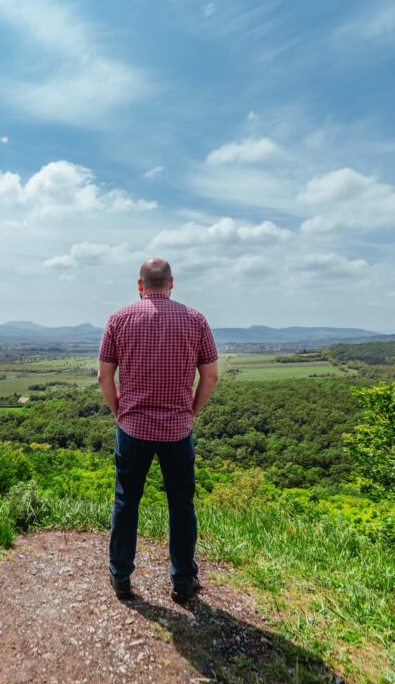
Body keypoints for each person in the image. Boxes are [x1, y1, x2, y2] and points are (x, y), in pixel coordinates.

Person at [97, 258, 218, 604]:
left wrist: (120, 411)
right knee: (181, 504)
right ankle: (183, 581)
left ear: (140, 285)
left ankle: (120, 576)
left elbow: (105, 377)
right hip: (177, 430)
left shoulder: (119, 319)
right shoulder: (195, 320)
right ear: (171, 283)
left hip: (132, 428)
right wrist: (190, 412)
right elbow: (210, 377)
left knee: (126, 500)